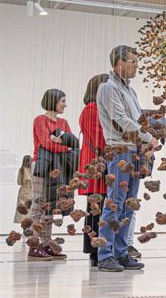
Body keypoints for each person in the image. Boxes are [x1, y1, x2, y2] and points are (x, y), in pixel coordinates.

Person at [96, 45, 159, 272]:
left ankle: (121, 252)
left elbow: (138, 120)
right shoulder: (108, 88)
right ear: (119, 63)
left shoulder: (129, 91)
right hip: (120, 150)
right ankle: (104, 255)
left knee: (128, 206)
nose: (136, 66)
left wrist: (148, 141)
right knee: (114, 204)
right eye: (133, 61)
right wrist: (149, 137)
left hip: (135, 151)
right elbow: (121, 119)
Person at [28, 89, 73, 261]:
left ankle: (46, 244)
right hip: (41, 165)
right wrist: (64, 144)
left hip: (58, 166)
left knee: (50, 206)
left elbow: (72, 143)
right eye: (62, 101)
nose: (65, 104)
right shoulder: (40, 120)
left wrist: (63, 143)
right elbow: (46, 144)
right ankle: (33, 245)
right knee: (38, 204)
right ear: (53, 101)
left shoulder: (64, 122)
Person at [79, 74, 109, 267]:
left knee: (100, 208)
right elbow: (100, 137)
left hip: (101, 164)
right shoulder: (91, 109)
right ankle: (94, 251)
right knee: (95, 209)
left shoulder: (98, 109)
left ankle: (99, 249)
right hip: (96, 166)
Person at [14, 155, 32, 224]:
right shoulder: (33, 169)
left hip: (24, 190)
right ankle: (30, 225)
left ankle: (24, 226)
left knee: (22, 208)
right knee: (30, 209)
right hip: (31, 190)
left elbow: (19, 182)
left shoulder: (21, 170)